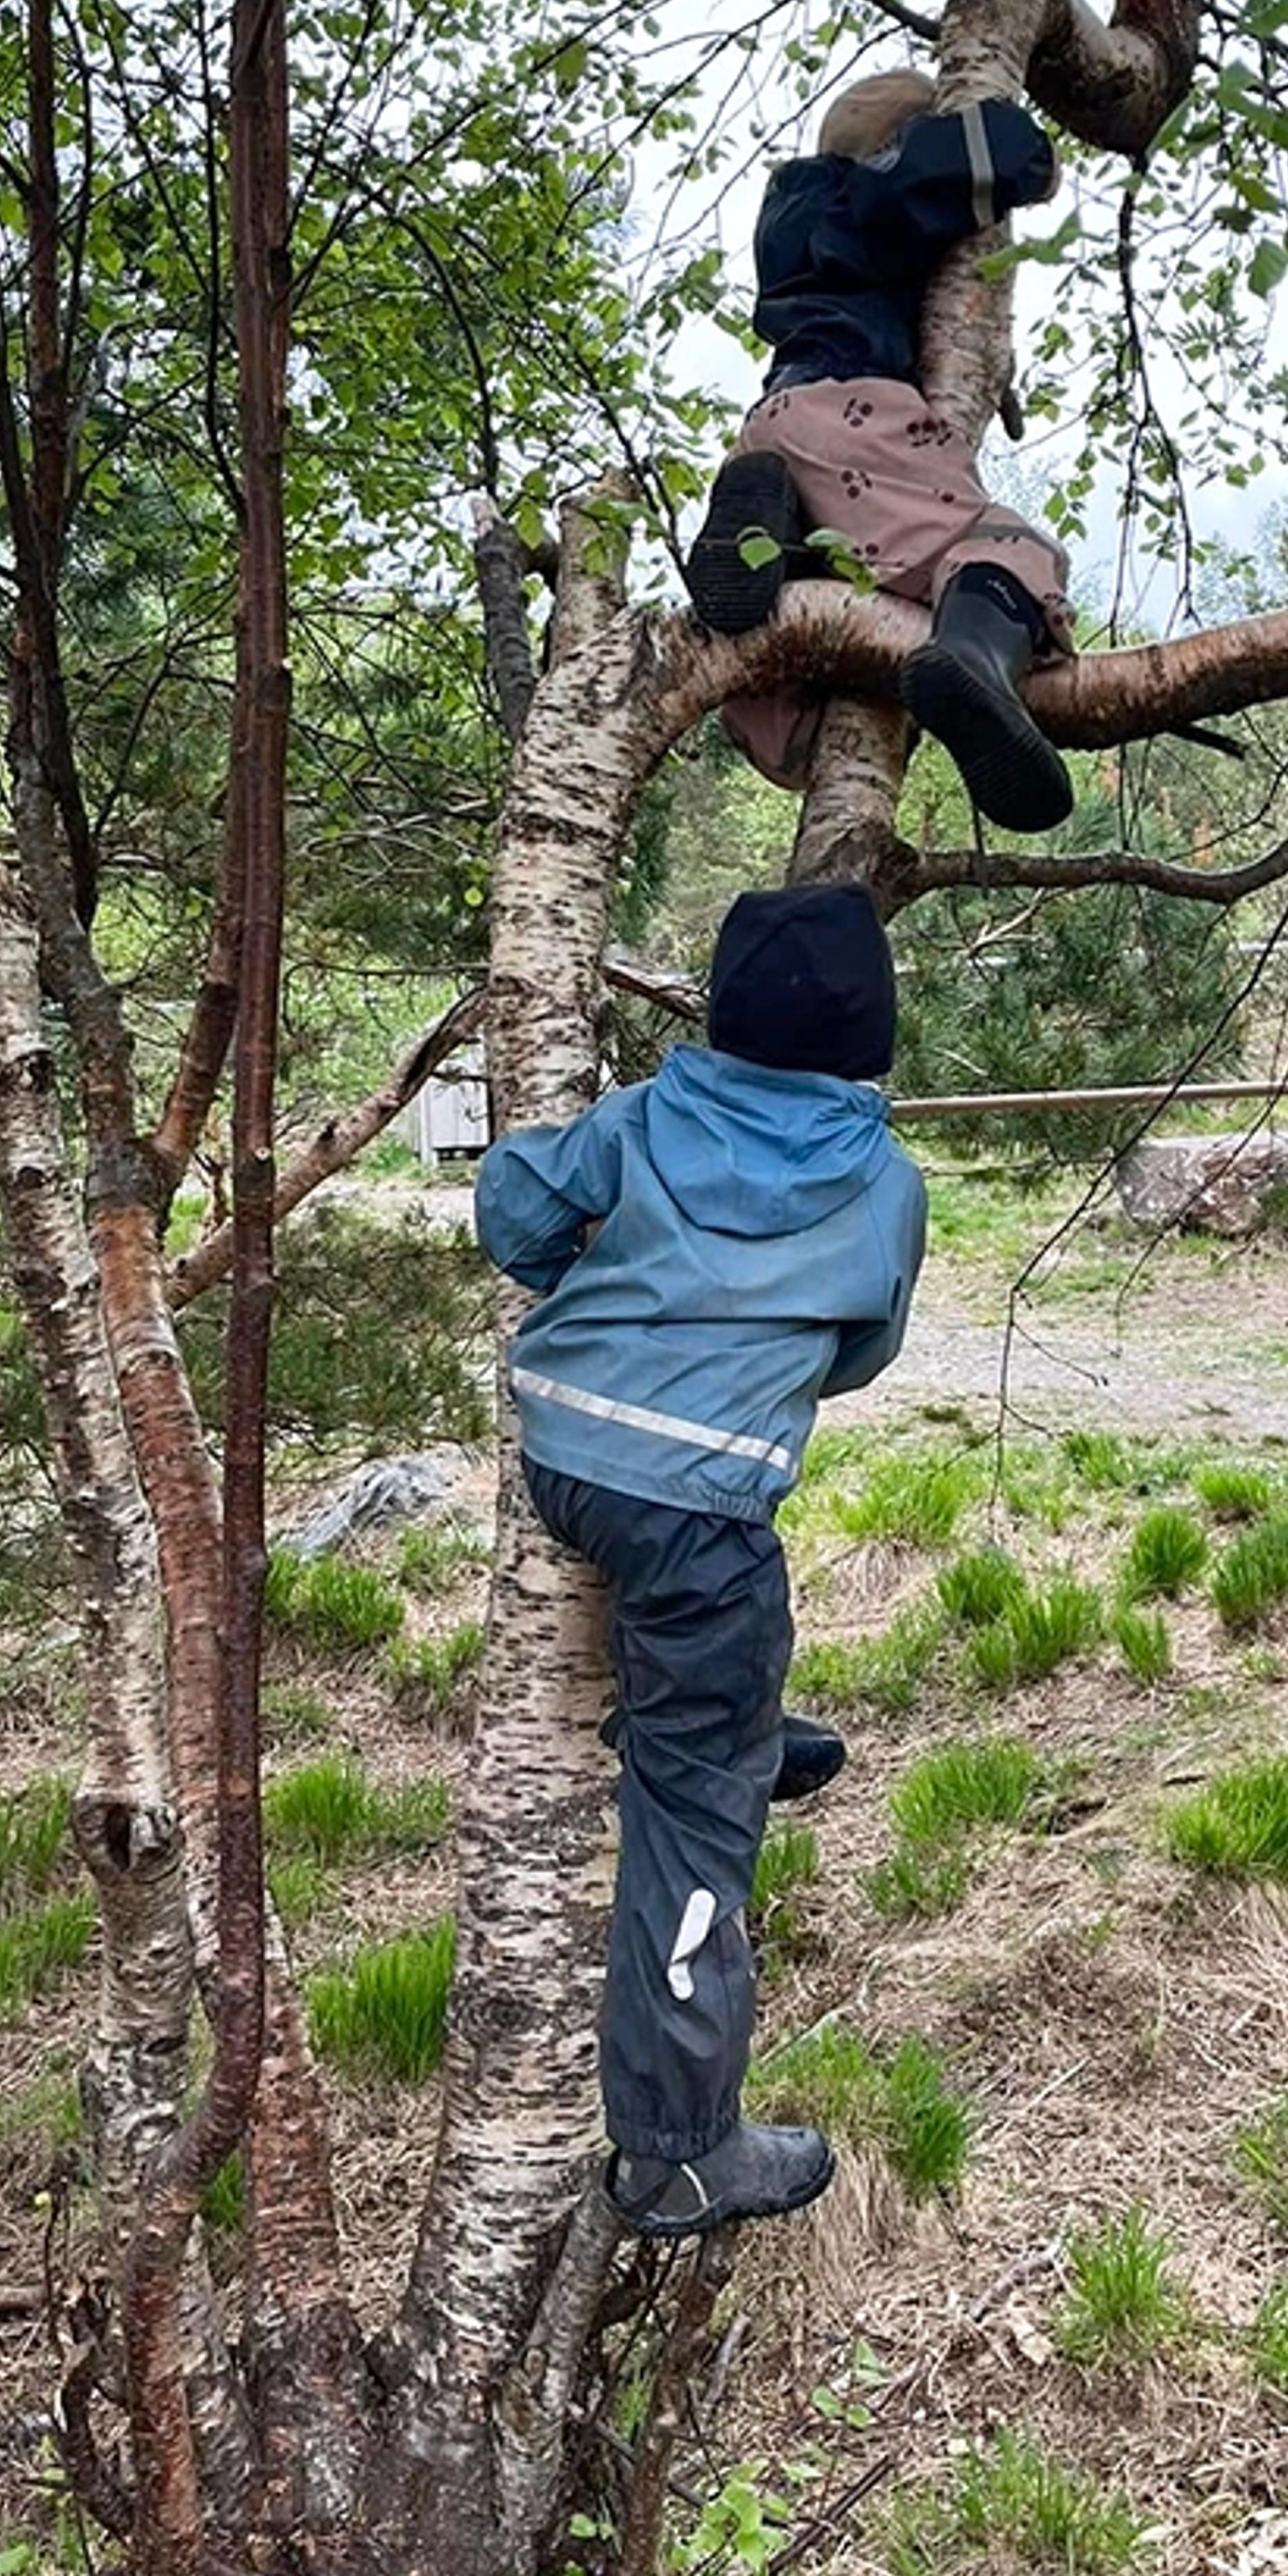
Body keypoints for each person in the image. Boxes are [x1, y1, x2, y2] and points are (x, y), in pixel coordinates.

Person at [474, 882, 928, 2238]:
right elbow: (863, 1348)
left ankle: (727, 1725)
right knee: (693, 1821)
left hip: (565, 1450)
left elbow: (511, 1208)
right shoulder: (885, 1186)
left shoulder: (641, 1118)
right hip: (695, 1505)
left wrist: (588, 1267)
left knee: (730, 1631)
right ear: (872, 1035)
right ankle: (674, 2149)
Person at [685, 69, 1076, 836]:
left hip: (775, 425)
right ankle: (977, 657)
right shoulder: (866, 195)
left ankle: (774, 541)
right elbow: (980, 156)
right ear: (894, 145)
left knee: (796, 706)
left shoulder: (790, 218)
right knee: (1004, 546)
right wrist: (1027, 154)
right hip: (853, 416)